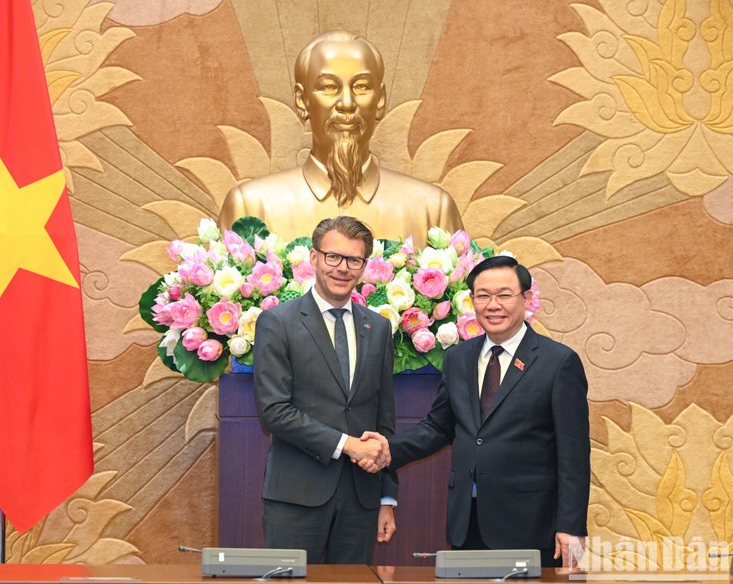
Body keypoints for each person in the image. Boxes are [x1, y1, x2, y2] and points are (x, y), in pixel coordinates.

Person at [380, 255, 590, 568]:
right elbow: (439, 428)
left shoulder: (558, 362)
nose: (493, 305)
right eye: (483, 296)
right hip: (468, 518)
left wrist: (571, 526)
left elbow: (573, 452)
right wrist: (384, 450)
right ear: (472, 300)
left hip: (530, 523)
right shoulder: (458, 358)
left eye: (504, 295)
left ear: (526, 299)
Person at [218, 30, 462, 246]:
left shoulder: (433, 210)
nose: (347, 103)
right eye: (329, 87)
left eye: (362, 87)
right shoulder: (250, 207)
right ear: (302, 101)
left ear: (380, 100)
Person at [253, 215, 398, 564]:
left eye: (354, 260)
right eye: (333, 257)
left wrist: (387, 499)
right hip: (296, 495)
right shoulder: (278, 322)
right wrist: (348, 445)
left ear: (364, 267)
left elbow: (384, 418)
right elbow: (274, 412)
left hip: (361, 500)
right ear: (314, 257)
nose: (342, 268)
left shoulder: (377, 327)